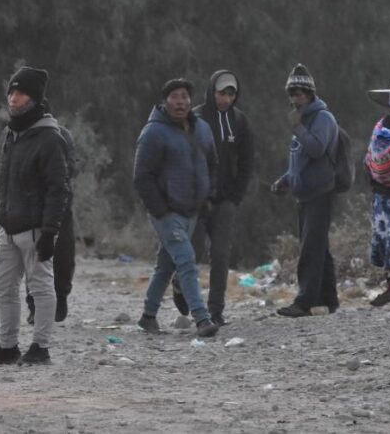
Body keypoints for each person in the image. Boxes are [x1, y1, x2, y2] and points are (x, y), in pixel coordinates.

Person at [0, 67, 69, 366]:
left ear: (35, 99)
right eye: (11, 92)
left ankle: (40, 347)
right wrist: (0, 220)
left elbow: (58, 188)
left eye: (21, 93)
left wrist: (50, 231)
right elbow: (5, 182)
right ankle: (8, 347)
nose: (14, 99)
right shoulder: (11, 133)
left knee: (40, 287)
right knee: (4, 287)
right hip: (8, 226)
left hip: (35, 228)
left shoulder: (50, 137)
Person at [134, 78, 220, 338]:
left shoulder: (202, 129)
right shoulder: (153, 132)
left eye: (184, 96)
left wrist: (208, 197)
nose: (180, 102)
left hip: (192, 210)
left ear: (190, 101)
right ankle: (202, 318)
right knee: (186, 260)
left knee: (166, 265)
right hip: (167, 212)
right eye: (174, 97)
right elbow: (142, 176)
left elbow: (212, 164)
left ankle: (148, 316)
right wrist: (159, 209)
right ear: (165, 101)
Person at [170, 70, 254, 326]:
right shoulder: (194, 118)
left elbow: (247, 162)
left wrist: (236, 195)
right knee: (192, 252)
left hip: (225, 200)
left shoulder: (240, 122)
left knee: (220, 256)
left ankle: (215, 310)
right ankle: (180, 286)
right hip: (196, 200)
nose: (226, 99)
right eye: (221, 93)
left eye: (231, 94)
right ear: (211, 92)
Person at [271, 63, 340, 317]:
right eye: (292, 94)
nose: (295, 99)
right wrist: (285, 180)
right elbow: (299, 162)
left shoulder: (323, 118)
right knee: (319, 247)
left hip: (320, 193)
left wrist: (297, 128)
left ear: (310, 94)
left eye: (299, 94)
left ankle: (304, 302)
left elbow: (317, 149)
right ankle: (329, 299)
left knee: (310, 249)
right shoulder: (301, 120)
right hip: (304, 195)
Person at [26, 99, 78, 324]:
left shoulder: (61, 135)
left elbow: (71, 169)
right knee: (33, 258)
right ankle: (34, 305)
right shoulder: (21, 137)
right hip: (30, 207)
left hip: (59, 206)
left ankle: (61, 296)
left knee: (63, 256)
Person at [364, 80, 390, 306]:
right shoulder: (382, 126)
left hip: (384, 195)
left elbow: (370, 160)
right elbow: (373, 157)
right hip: (385, 196)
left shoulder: (382, 125)